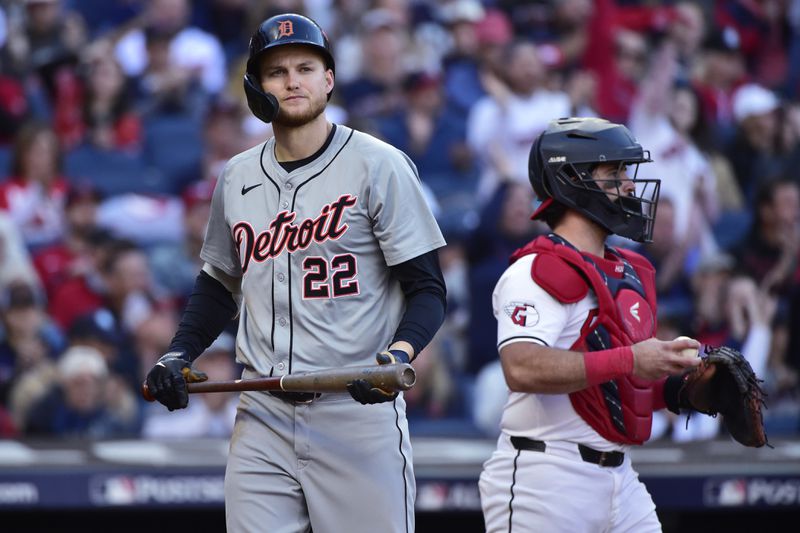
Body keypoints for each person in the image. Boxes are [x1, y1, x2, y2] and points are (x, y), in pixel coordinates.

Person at [143, 13, 447, 533]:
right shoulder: (237, 176)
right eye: (276, 71)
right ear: (256, 89)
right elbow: (219, 284)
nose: (292, 80)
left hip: (354, 409)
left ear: (329, 78)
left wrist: (398, 354)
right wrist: (178, 352)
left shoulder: (380, 165)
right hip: (262, 412)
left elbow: (427, 290)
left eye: (306, 67)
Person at [479, 117, 703, 532]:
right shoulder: (537, 269)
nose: (631, 185)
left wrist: (682, 391)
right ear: (570, 179)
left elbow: (617, 388)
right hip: (546, 479)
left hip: (621, 478)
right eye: (615, 172)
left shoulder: (631, 269)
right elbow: (521, 368)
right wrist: (631, 360)